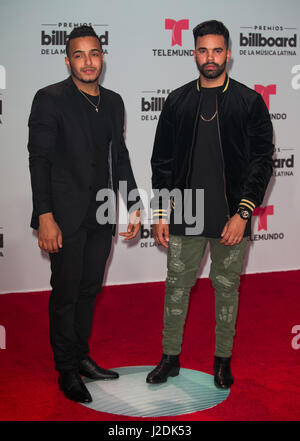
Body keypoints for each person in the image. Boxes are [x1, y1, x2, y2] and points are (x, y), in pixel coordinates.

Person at [147, 20, 273, 389]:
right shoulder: (178, 101)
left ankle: (222, 361)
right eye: (203, 50)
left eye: (217, 50)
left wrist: (243, 212)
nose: (210, 57)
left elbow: (262, 161)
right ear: (194, 53)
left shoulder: (249, 102)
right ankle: (169, 358)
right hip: (185, 210)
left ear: (228, 54)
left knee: (227, 289)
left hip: (231, 215)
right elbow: (162, 162)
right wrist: (160, 211)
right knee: (176, 287)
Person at [28, 25, 141, 403]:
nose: (88, 62)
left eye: (94, 54)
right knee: (66, 293)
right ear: (67, 60)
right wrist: (45, 215)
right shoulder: (50, 99)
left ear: (102, 57)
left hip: (101, 214)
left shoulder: (113, 102)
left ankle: (81, 356)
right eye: (79, 55)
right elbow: (39, 161)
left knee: (89, 290)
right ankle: (66, 370)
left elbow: (119, 157)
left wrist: (135, 206)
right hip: (63, 217)